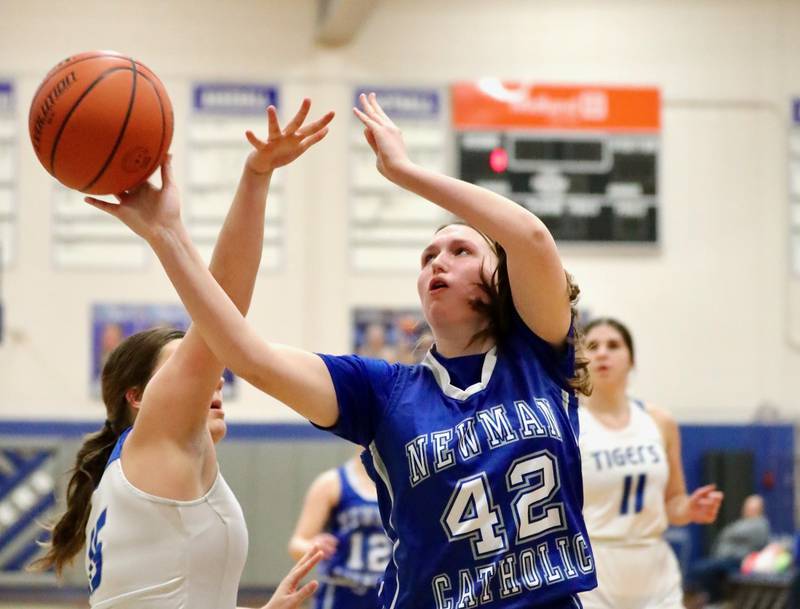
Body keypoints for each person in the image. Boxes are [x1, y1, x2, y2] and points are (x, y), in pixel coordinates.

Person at [85, 92, 598, 609]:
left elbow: (531, 237)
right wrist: (171, 234)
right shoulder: (383, 392)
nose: (437, 261)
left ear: (503, 279)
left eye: (461, 251)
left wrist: (405, 173)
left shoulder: (538, 356)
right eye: (427, 256)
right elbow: (247, 354)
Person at [32, 98, 334, 609]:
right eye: (189, 366)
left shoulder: (153, 466)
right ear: (139, 397)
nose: (213, 377)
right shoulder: (155, 441)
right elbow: (224, 310)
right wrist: (254, 178)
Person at [577, 317, 724, 609]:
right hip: (594, 568)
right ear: (580, 360)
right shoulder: (568, 423)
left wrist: (690, 509)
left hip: (654, 568)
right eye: (593, 346)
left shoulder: (660, 422)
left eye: (614, 345)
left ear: (631, 360)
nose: (603, 353)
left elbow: (673, 503)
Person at [288, 452, 391, 609]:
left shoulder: (405, 484)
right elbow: (296, 544)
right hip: (341, 594)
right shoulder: (331, 483)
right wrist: (314, 548)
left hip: (388, 592)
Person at [685, 494, 770, 605]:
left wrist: (728, 532)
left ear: (760, 510)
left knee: (702, 569)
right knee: (700, 568)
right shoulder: (740, 523)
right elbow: (728, 534)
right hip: (723, 559)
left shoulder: (760, 524)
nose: (748, 510)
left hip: (739, 561)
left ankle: (715, 602)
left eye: (753, 508)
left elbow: (730, 533)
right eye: (747, 507)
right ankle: (700, 600)